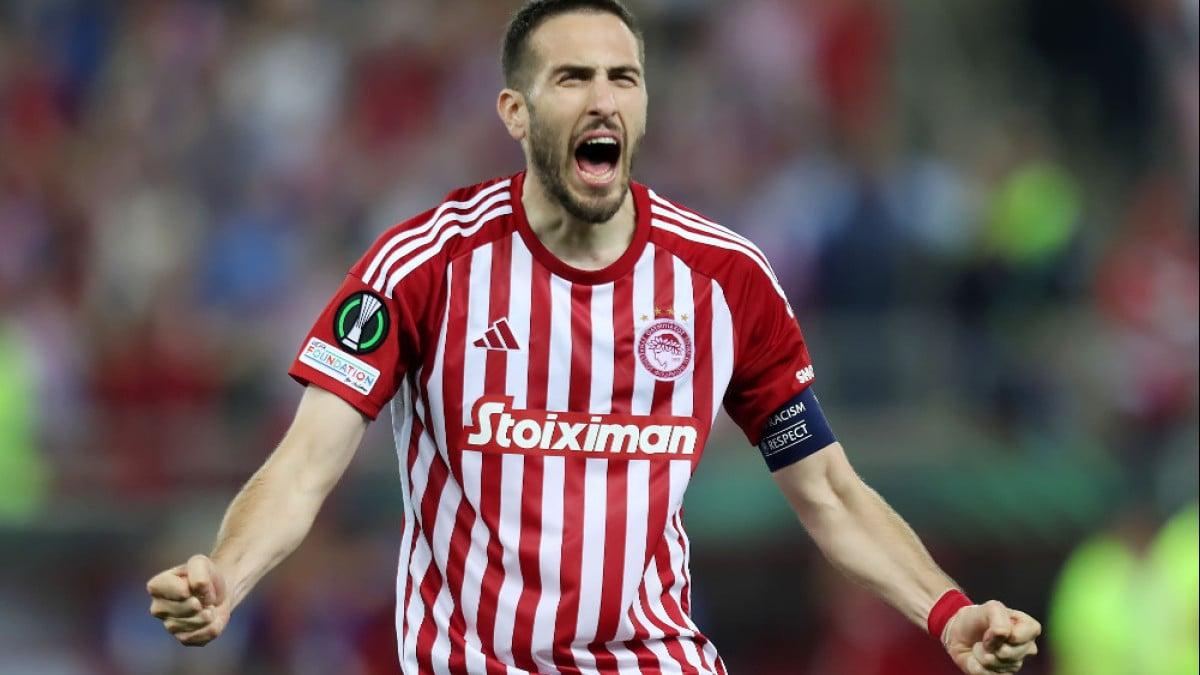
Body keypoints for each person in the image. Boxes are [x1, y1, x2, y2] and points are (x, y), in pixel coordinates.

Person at [146, 1, 1041, 672]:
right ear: (515, 110)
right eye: (572, 78)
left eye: (624, 78)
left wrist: (947, 610)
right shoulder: (424, 265)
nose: (604, 99)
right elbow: (306, 463)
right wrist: (226, 574)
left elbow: (830, 492)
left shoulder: (725, 279)